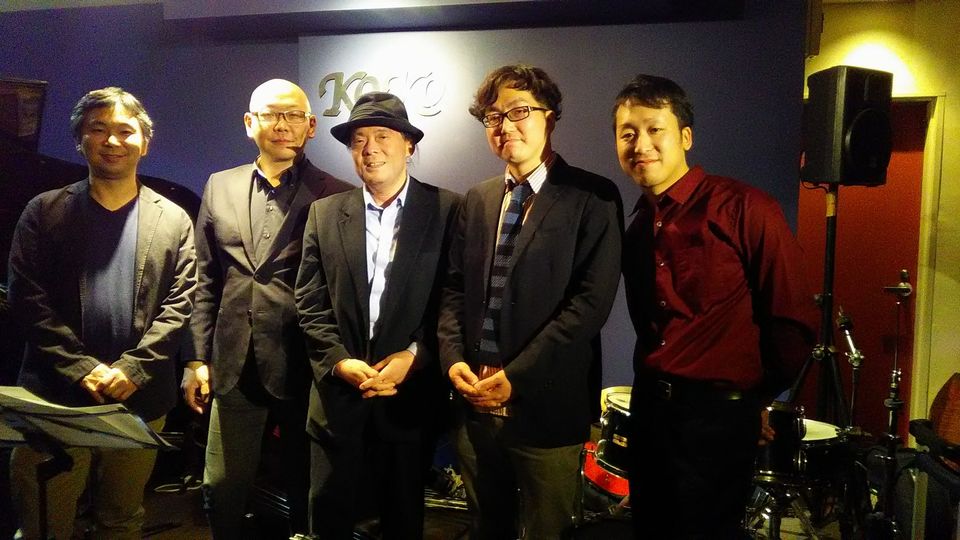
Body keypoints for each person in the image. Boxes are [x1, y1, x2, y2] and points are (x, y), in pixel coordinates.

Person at [613, 74, 819, 539]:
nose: (640, 144)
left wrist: (751, 398)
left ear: (685, 137)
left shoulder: (745, 207)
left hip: (716, 420)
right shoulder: (638, 227)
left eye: (654, 129)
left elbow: (794, 318)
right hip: (651, 411)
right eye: (627, 133)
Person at [438, 64, 623, 539]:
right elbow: (454, 290)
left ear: (550, 117)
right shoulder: (477, 199)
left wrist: (516, 377)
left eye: (519, 111)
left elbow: (589, 305)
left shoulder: (592, 196)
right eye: (493, 117)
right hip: (474, 404)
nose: (505, 125)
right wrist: (452, 360)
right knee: (486, 526)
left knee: (548, 529)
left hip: (546, 405)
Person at [7, 87, 197, 540]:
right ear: (80, 140)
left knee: (121, 519)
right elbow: (26, 297)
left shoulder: (175, 219)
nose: (112, 140)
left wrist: (134, 368)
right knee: (44, 522)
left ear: (144, 143)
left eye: (125, 131)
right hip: (54, 397)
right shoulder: (44, 211)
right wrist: (81, 368)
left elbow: (181, 302)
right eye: (98, 129)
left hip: (139, 399)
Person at [180, 78, 352, 538]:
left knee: (307, 490)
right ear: (249, 122)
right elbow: (205, 278)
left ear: (311, 125)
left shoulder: (337, 193)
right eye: (272, 114)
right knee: (221, 487)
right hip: (234, 364)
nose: (282, 124)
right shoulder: (219, 185)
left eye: (293, 115)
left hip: (305, 364)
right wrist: (195, 359)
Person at [295, 92, 460, 539]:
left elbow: (451, 299)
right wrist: (338, 361)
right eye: (359, 140)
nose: (370, 149)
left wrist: (415, 355)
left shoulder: (447, 209)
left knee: (402, 524)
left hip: (407, 403)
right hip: (337, 402)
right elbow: (309, 301)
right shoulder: (324, 214)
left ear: (408, 145)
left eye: (383, 136)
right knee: (327, 523)